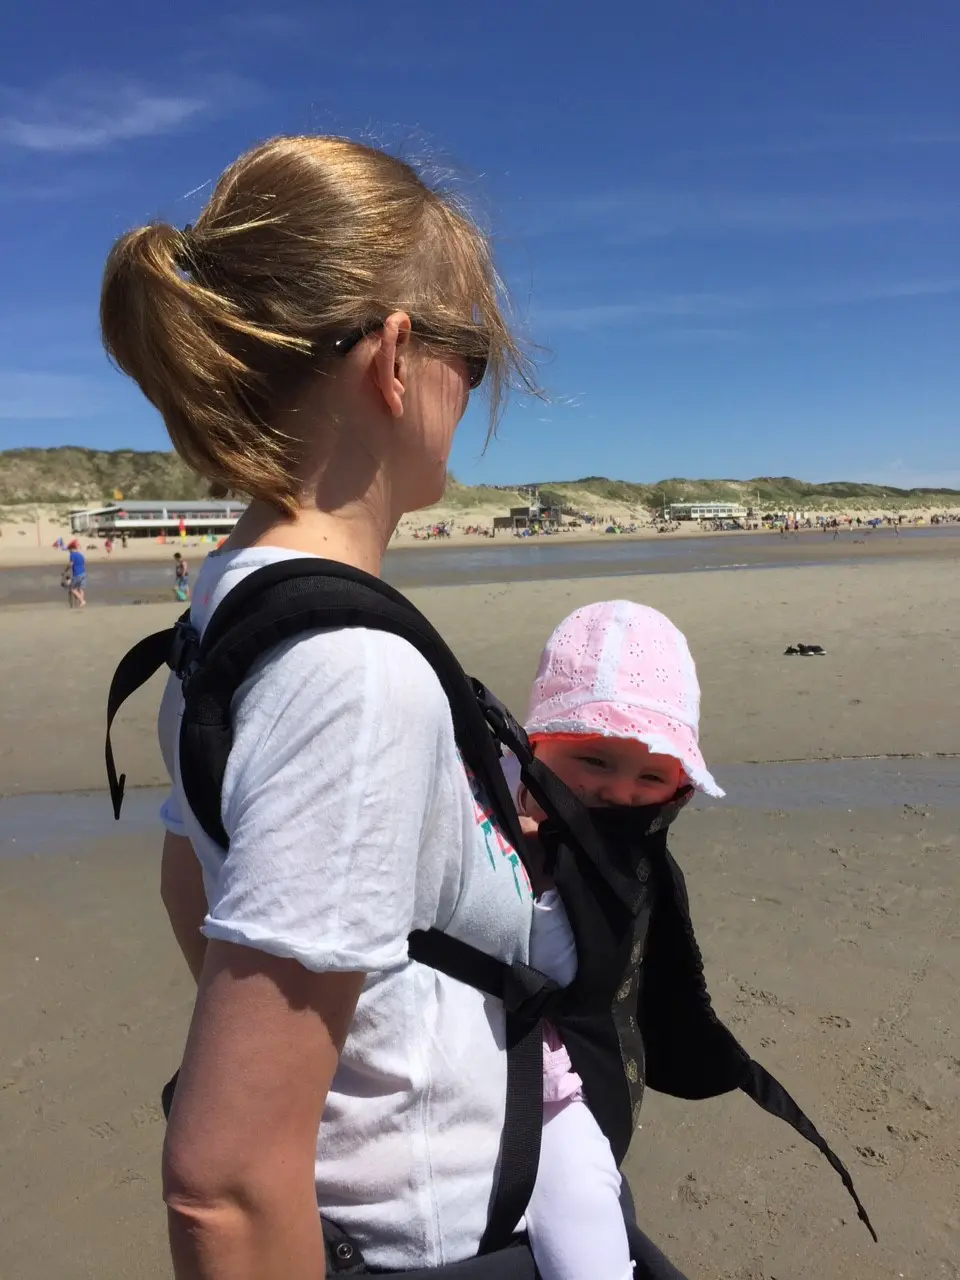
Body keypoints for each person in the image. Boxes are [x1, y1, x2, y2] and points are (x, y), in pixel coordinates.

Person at [98, 134, 594, 1279]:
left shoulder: (227, 603)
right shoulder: (355, 675)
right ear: (397, 357)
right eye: (472, 355)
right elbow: (221, 1185)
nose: (475, 392)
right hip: (420, 1239)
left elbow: (193, 872)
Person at [504, 600, 723, 1280]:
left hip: (558, 1093)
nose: (620, 792)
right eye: (593, 759)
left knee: (587, 1229)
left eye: (652, 776)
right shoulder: (484, 815)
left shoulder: (632, 849)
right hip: (455, 1068)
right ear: (538, 747)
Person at [66, 539, 86, 608]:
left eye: (69, 549)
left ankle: (82, 600)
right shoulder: (80, 555)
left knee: (72, 588)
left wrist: (67, 568)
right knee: (81, 588)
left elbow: (71, 564)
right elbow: (84, 562)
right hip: (83, 573)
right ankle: (81, 604)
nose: (68, 551)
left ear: (71, 549)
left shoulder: (72, 554)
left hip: (77, 574)